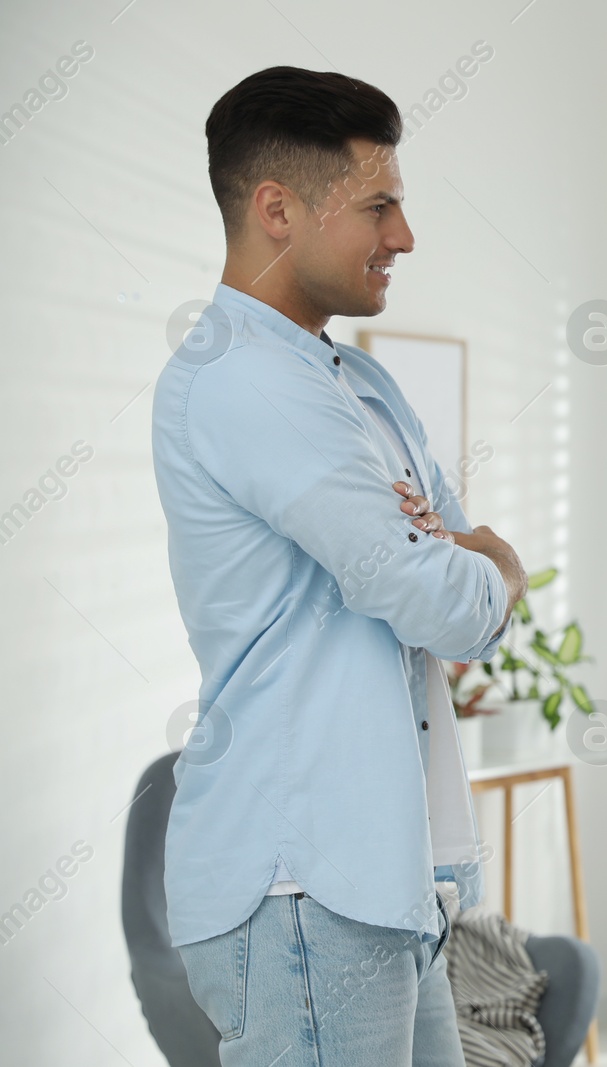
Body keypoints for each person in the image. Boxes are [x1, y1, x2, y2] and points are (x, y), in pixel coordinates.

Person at [151, 66, 528, 1066]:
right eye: (379, 205)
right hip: (301, 891)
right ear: (277, 208)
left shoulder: (356, 381)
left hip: (381, 877)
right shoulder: (244, 379)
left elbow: (440, 547)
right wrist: (494, 568)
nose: (403, 236)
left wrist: (453, 556)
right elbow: (431, 587)